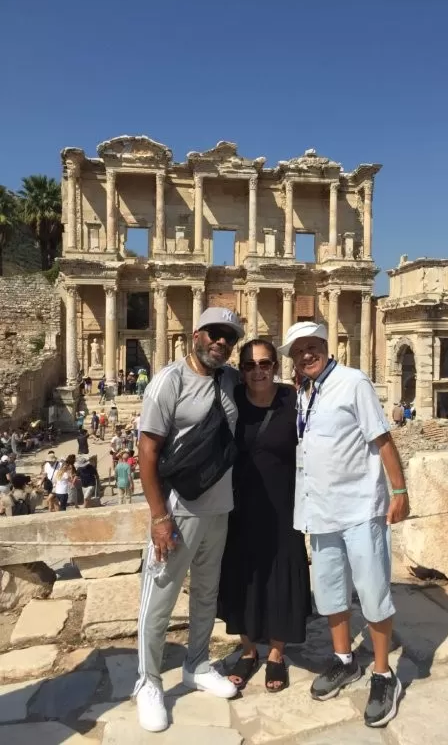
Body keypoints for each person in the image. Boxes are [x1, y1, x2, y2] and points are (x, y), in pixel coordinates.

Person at [280, 321, 410, 729]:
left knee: (372, 591)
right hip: (320, 509)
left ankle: (383, 674)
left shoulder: (354, 382)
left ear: (326, 345)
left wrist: (399, 490)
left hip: (359, 507)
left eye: (312, 346)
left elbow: (382, 438)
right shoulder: (304, 392)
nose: (306, 355)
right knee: (331, 592)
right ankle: (344, 660)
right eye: (298, 350)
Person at [134, 307, 244, 733]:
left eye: (228, 337)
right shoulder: (169, 381)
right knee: (159, 598)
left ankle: (196, 664)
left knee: (206, 593)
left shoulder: (230, 379)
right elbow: (147, 451)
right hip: (177, 510)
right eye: (214, 333)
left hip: (218, 508)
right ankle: (148, 682)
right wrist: (158, 516)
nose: (221, 342)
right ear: (196, 334)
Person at [218, 339, 311, 693]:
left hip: (284, 504)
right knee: (241, 574)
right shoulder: (232, 401)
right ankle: (247, 650)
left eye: (265, 364)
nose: (258, 371)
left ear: (275, 366)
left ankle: (275, 653)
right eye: (250, 365)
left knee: (281, 574)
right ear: (241, 371)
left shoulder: (293, 400)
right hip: (239, 504)